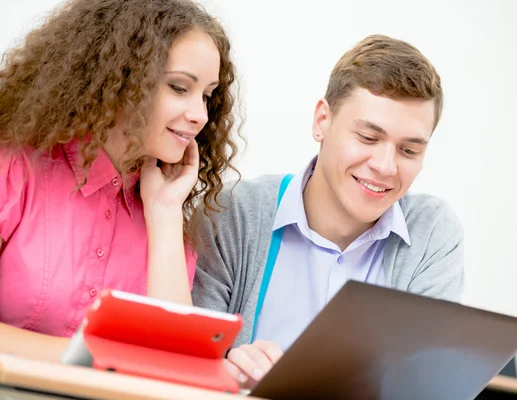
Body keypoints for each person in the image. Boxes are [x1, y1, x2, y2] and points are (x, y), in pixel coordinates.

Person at [193, 34, 465, 387]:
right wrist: (223, 369)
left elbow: (425, 385)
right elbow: (188, 362)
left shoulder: (431, 233)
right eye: (368, 138)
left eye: (409, 151)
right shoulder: (231, 214)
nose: (385, 166)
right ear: (322, 120)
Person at [0, 0, 238, 363]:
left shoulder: (170, 218)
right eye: (179, 87)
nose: (200, 115)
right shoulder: (16, 165)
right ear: (122, 76)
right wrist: (86, 356)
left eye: (206, 96)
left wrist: (164, 213)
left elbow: (174, 360)